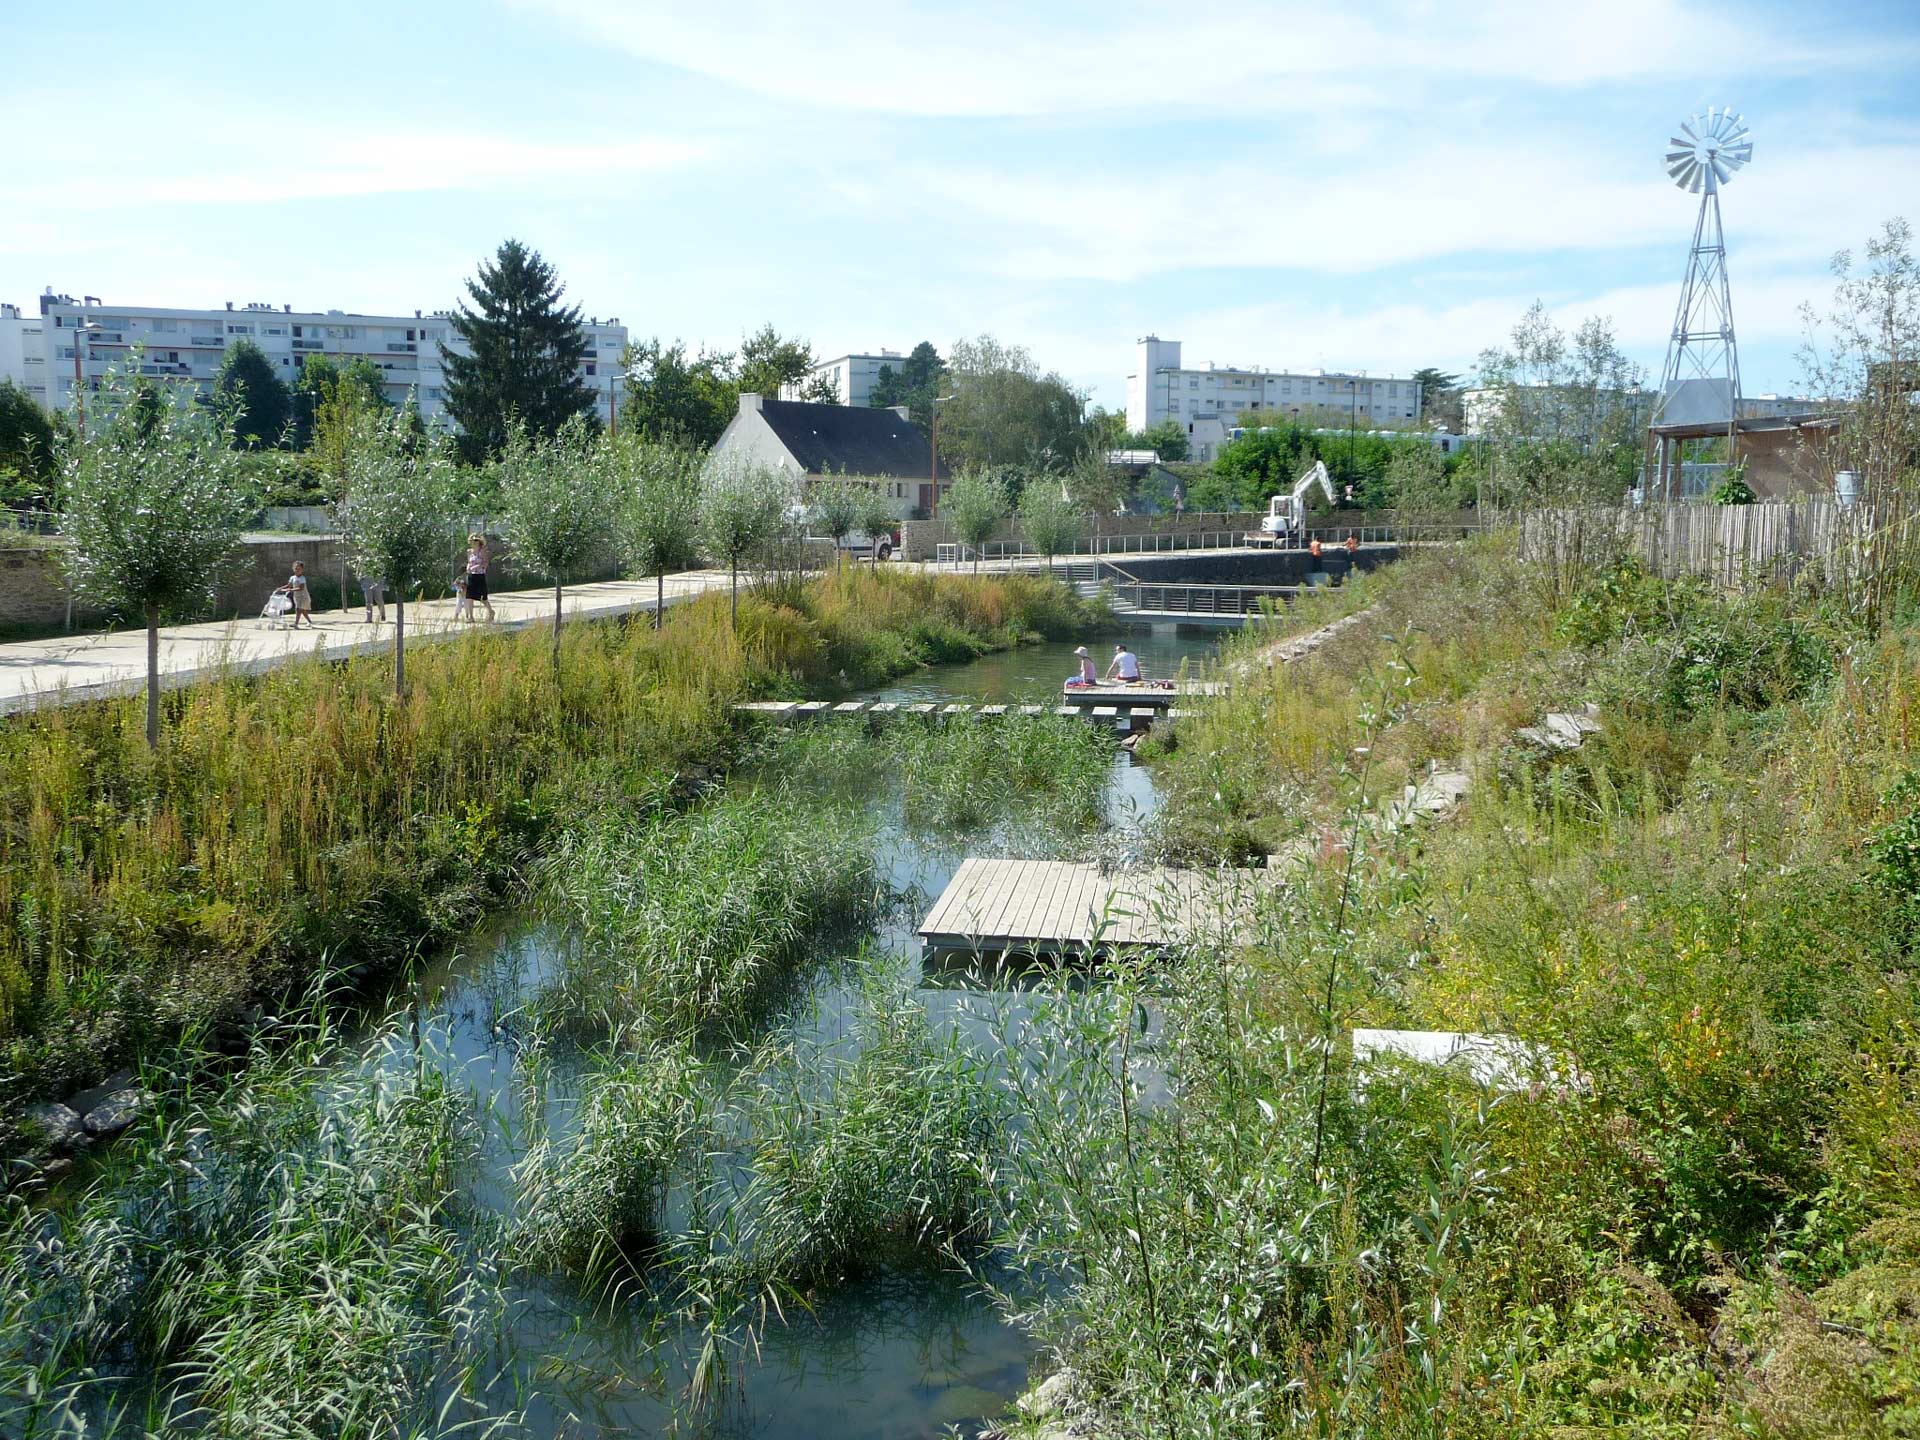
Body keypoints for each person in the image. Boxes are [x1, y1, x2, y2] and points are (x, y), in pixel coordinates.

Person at [465, 533, 495, 622]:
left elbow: (486, 562)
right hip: (471, 575)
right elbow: (469, 562)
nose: (473, 542)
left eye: (475, 540)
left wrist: (478, 566)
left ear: (479, 541)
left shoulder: (482, 551)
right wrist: (468, 568)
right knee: (469, 597)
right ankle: (470, 616)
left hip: (480, 575)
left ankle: (490, 611)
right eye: (472, 540)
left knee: (482, 597)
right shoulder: (469, 551)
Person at [279, 561, 314, 628]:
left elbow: (301, 588)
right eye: (296, 569)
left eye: (299, 569)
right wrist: (280, 588)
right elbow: (288, 585)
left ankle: (296, 623)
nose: (297, 570)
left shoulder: (302, 578)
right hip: (297, 597)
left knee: (298, 609)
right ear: (293, 569)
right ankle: (309, 622)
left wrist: (290, 590)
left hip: (304, 597)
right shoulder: (292, 577)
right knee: (302, 610)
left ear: (302, 570)